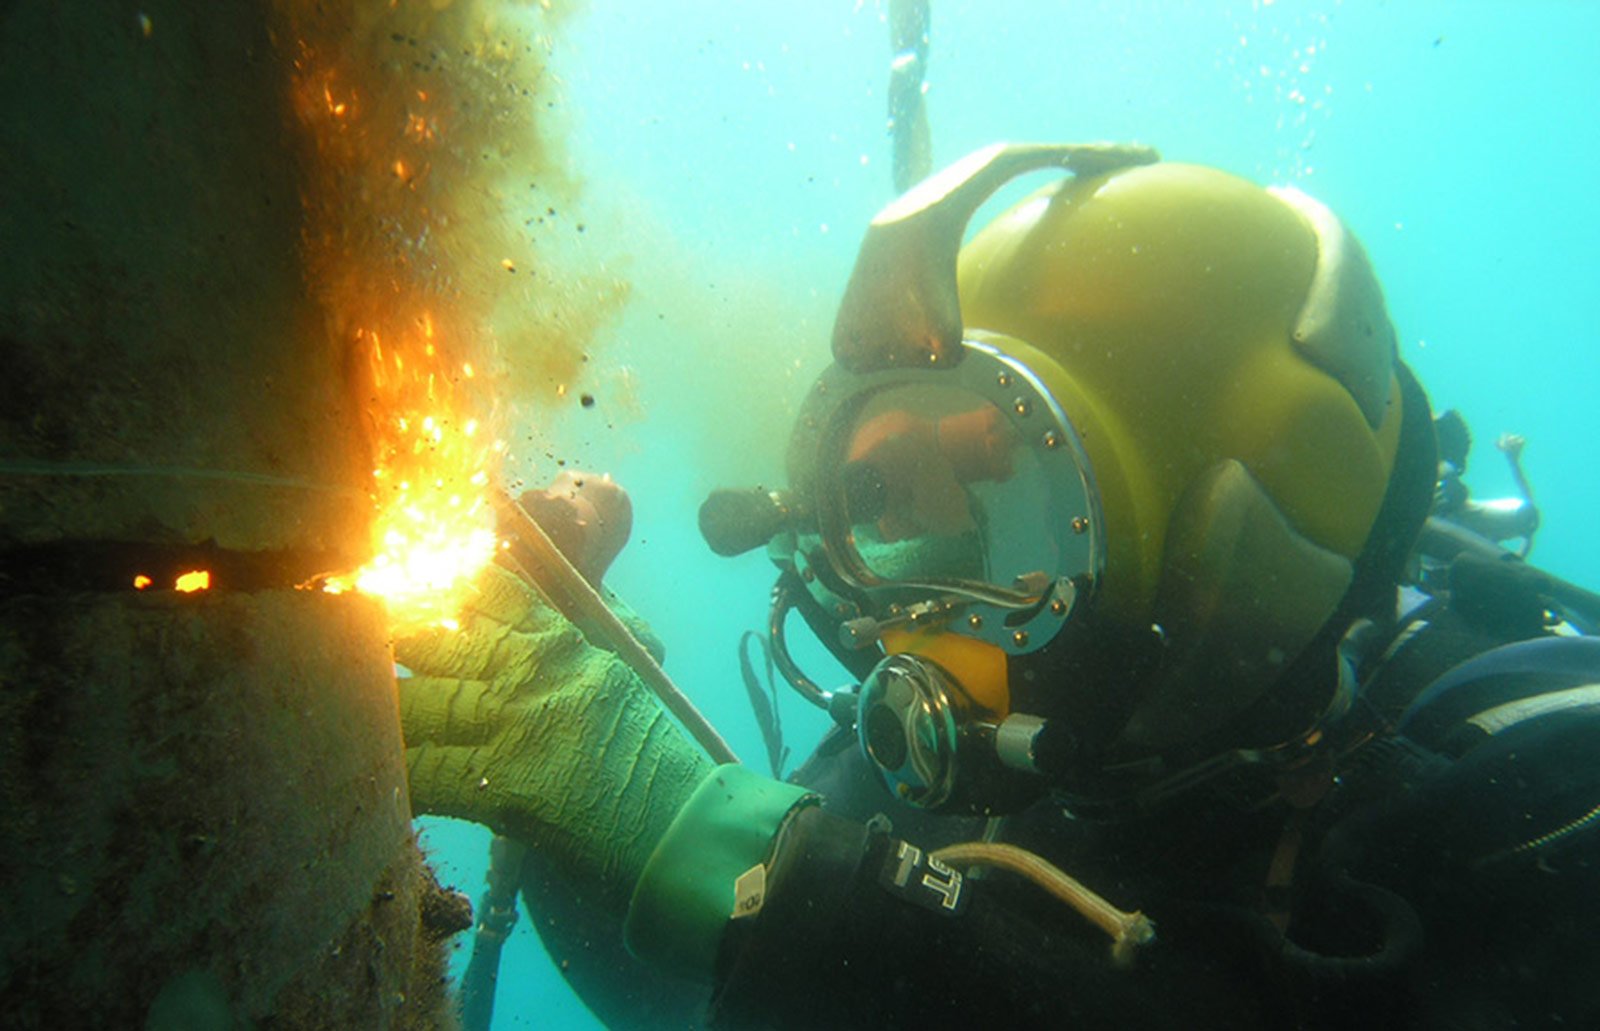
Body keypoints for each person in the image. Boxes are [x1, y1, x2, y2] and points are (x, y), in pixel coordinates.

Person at [398, 142, 1600, 1029]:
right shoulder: (944, 766)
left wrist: (787, 889)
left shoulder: (1535, 768)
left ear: (1233, 552)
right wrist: (608, 824)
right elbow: (700, 999)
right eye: (884, 509)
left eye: (1004, 499)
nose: (909, 606)